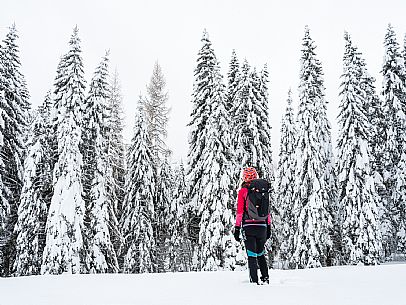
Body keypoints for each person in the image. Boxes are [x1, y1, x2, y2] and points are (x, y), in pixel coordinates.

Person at [233, 167, 271, 285]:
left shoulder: (243, 191)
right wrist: (268, 226)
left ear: (244, 177)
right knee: (260, 253)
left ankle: (254, 282)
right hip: (262, 226)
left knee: (251, 255)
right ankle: (265, 279)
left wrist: (237, 228)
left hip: (249, 226)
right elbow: (268, 211)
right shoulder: (263, 190)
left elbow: (240, 212)